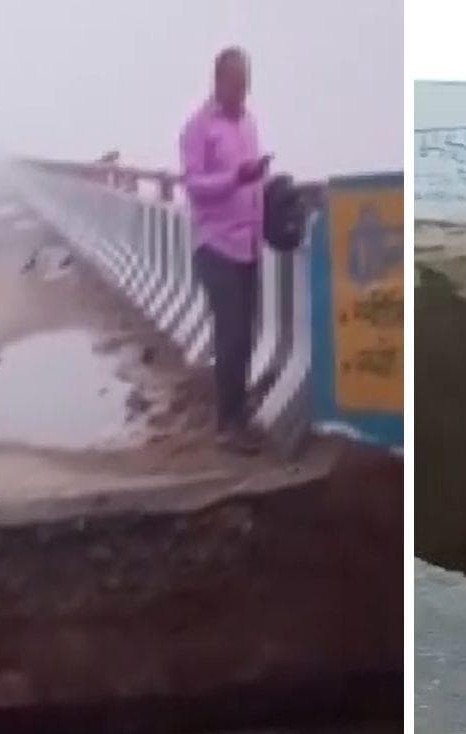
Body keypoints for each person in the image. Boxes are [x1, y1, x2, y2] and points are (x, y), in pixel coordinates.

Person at [180, 46, 272, 455]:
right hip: (215, 245)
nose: (243, 90)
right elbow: (194, 186)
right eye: (236, 82)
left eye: (247, 82)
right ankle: (226, 426)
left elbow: (251, 182)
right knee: (231, 334)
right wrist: (236, 178)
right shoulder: (198, 128)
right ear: (218, 81)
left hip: (249, 244)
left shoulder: (249, 123)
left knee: (245, 334)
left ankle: (239, 416)